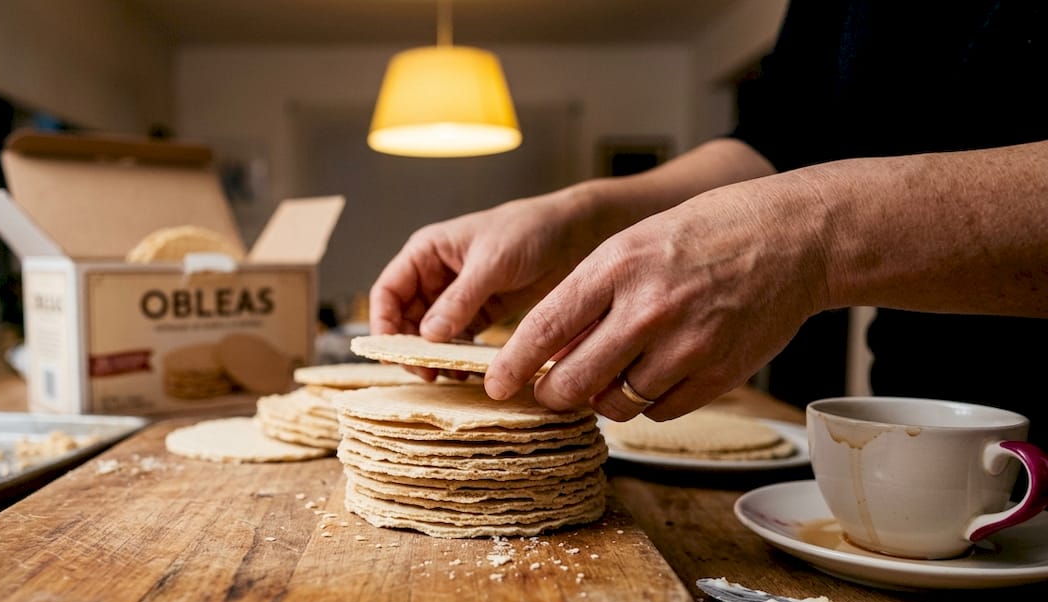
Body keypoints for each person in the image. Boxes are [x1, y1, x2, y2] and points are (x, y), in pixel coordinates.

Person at [369, 0, 1048, 439]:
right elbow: (780, 143)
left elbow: (795, 202)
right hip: (917, 448)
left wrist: (812, 236)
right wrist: (580, 217)